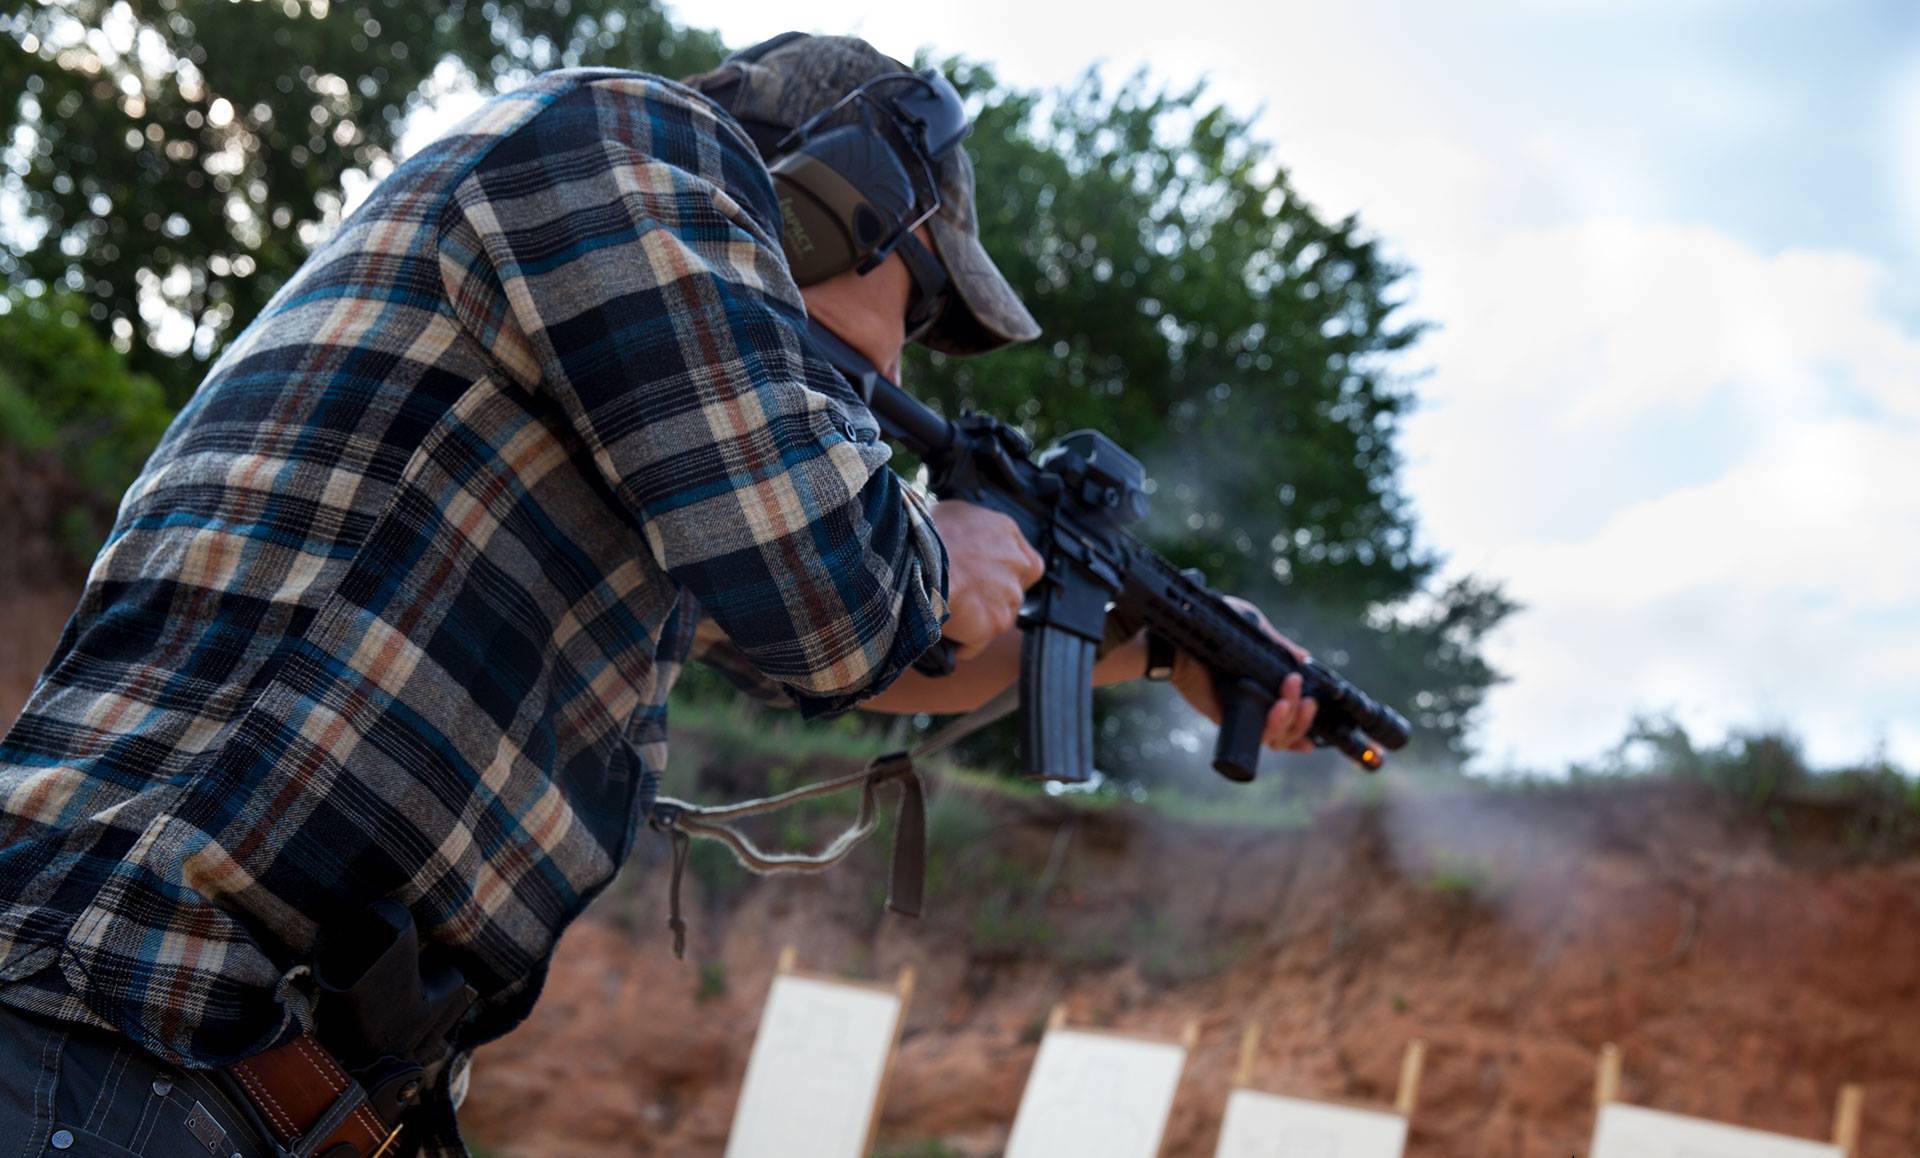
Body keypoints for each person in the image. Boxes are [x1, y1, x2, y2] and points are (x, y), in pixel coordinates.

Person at [0, 32, 1317, 1158]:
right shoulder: (626, 139)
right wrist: (948, 547)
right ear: (837, 197)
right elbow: (836, 598)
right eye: (911, 299)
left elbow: (869, 661)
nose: (901, 361)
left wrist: (1135, 652)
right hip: (125, 1029)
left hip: (233, 1083)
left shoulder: (660, 451)